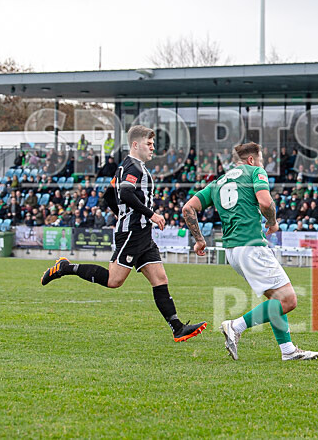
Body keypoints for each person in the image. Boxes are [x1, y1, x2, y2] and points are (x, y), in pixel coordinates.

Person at [40, 125, 206, 342]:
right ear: (135, 145)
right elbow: (125, 192)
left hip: (142, 233)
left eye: (153, 144)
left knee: (160, 278)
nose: (152, 148)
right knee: (114, 280)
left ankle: (177, 328)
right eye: (149, 144)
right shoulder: (133, 167)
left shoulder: (127, 167)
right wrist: (151, 215)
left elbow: (109, 196)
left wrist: (125, 215)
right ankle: (65, 267)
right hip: (133, 233)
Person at [182, 142, 318, 361]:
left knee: (276, 298)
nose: (262, 163)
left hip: (232, 251)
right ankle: (235, 326)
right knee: (289, 301)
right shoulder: (255, 171)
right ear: (251, 160)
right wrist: (273, 222)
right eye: (261, 159)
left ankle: (288, 350)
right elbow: (265, 202)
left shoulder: (218, 182)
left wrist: (199, 240)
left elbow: (188, 208)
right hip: (251, 246)